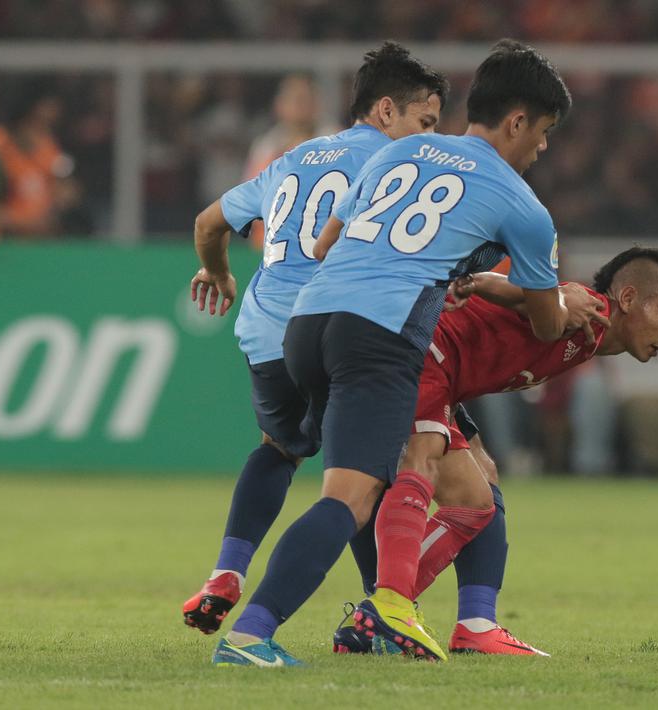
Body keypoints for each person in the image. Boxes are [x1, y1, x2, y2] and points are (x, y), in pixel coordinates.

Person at [213, 39, 582, 666]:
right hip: (379, 337)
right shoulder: (523, 206)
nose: (542, 147)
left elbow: (329, 241)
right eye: (543, 132)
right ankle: (251, 635)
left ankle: (386, 612)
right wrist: (566, 303)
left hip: (308, 322)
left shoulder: (404, 149)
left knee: (381, 483)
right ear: (517, 121)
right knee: (349, 498)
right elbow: (548, 327)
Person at [178, 42, 449, 664]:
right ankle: (358, 615)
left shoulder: (291, 157)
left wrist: (216, 273)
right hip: (339, 325)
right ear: (386, 110)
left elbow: (207, 223)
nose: (431, 137)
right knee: (361, 480)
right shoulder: (399, 165)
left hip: (265, 330)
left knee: (281, 449)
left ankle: (229, 569)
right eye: (425, 122)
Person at [335, 246, 658, 657]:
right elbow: (517, 288)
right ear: (628, 299)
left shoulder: (591, 339)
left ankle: (473, 624)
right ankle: (386, 606)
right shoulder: (586, 307)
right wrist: (476, 282)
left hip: (444, 375)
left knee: (482, 478)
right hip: (422, 355)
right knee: (451, 485)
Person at [0, 80, 82, 242]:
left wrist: (65, 196)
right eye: (38, 122)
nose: (43, 132)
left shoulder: (51, 147)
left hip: (42, 246)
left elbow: (63, 189)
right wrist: (23, 222)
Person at [243, 74, 337, 249]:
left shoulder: (337, 143)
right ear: (279, 105)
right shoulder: (266, 147)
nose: (301, 105)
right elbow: (251, 203)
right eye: (295, 99)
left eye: (306, 99)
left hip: (323, 248)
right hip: (271, 249)